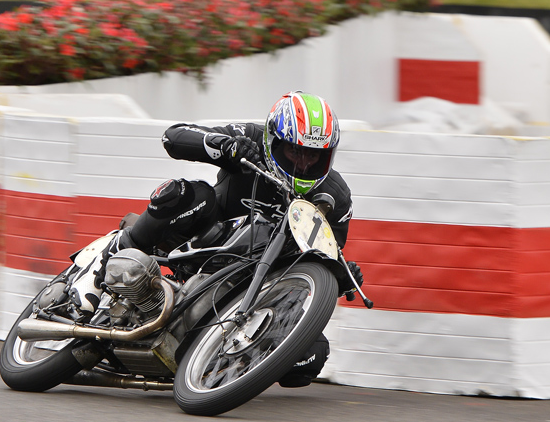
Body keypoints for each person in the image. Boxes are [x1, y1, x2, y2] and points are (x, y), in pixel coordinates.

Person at [89, 91, 364, 388]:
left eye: (314, 155)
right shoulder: (252, 139)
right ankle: (113, 256)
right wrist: (224, 146)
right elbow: (173, 136)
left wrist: (340, 275)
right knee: (186, 193)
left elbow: (323, 253)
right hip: (204, 236)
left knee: (312, 355)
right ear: (274, 141)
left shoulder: (336, 197)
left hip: (255, 282)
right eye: (295, 151)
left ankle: (213, 364)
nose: (304, 163)